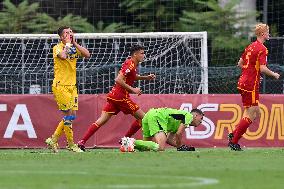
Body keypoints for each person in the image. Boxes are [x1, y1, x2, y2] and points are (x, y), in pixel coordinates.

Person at [77, 44, 156, 151]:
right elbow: (118, 79)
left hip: (114, 96)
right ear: (135, 54)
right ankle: (125, 139)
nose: (144, 55)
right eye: (142, 53)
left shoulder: (131, 64)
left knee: (101, 120)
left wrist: (145, 78)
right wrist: (133, 90)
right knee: (144, 118)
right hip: (121, 97)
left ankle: (82, 141)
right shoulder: (130, 64)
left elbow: (131, 77)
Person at [228, 23, 280, 151]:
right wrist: (274, 74)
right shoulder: (262, 49)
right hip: (250, 85)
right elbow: (262, 68)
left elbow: (240, 63)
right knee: (252, 115)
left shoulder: (250, 46)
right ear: (262, 34)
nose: (269, 34)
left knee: (254, 112)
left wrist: (252, 73)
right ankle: (234, 141)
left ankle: (234, 133)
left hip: (244, 82)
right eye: (268, 32)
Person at [45, 26, 90, 153]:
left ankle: (53, 139)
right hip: (61, 86)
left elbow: (87, 54)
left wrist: (75, 43)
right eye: (66, 33)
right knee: (68, 116)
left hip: (72, 86)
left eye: (70, 32)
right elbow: (64, 56)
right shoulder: (57, 47)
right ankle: (71, 144)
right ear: (61, 37)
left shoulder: (74, 46)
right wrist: (69, 44)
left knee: (72, 116)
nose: (69, 34)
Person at [120, 108, 204, 152]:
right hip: (157, 116)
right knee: (160, 147)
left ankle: (128, 144)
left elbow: (168, 139)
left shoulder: (180, 121)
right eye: (201, 118)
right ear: (196, 115)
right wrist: (180, 147)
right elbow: (178, 134)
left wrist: (180, 146)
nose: (201, 121)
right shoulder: (189, 116)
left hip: (149, 115)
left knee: (145, 148)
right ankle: (130, 141)